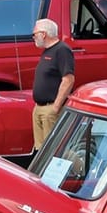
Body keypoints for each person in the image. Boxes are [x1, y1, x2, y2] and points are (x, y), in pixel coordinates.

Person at [30, 19, 76, 149]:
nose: (33, 38)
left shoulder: (62, 50)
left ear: (43, 34)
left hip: (50, 108)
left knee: (54, 149)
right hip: (39, 108)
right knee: (40, 150)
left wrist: (56, 107)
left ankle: (80, 166)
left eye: (34, 34)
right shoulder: (47, 51)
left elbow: (68, 79)